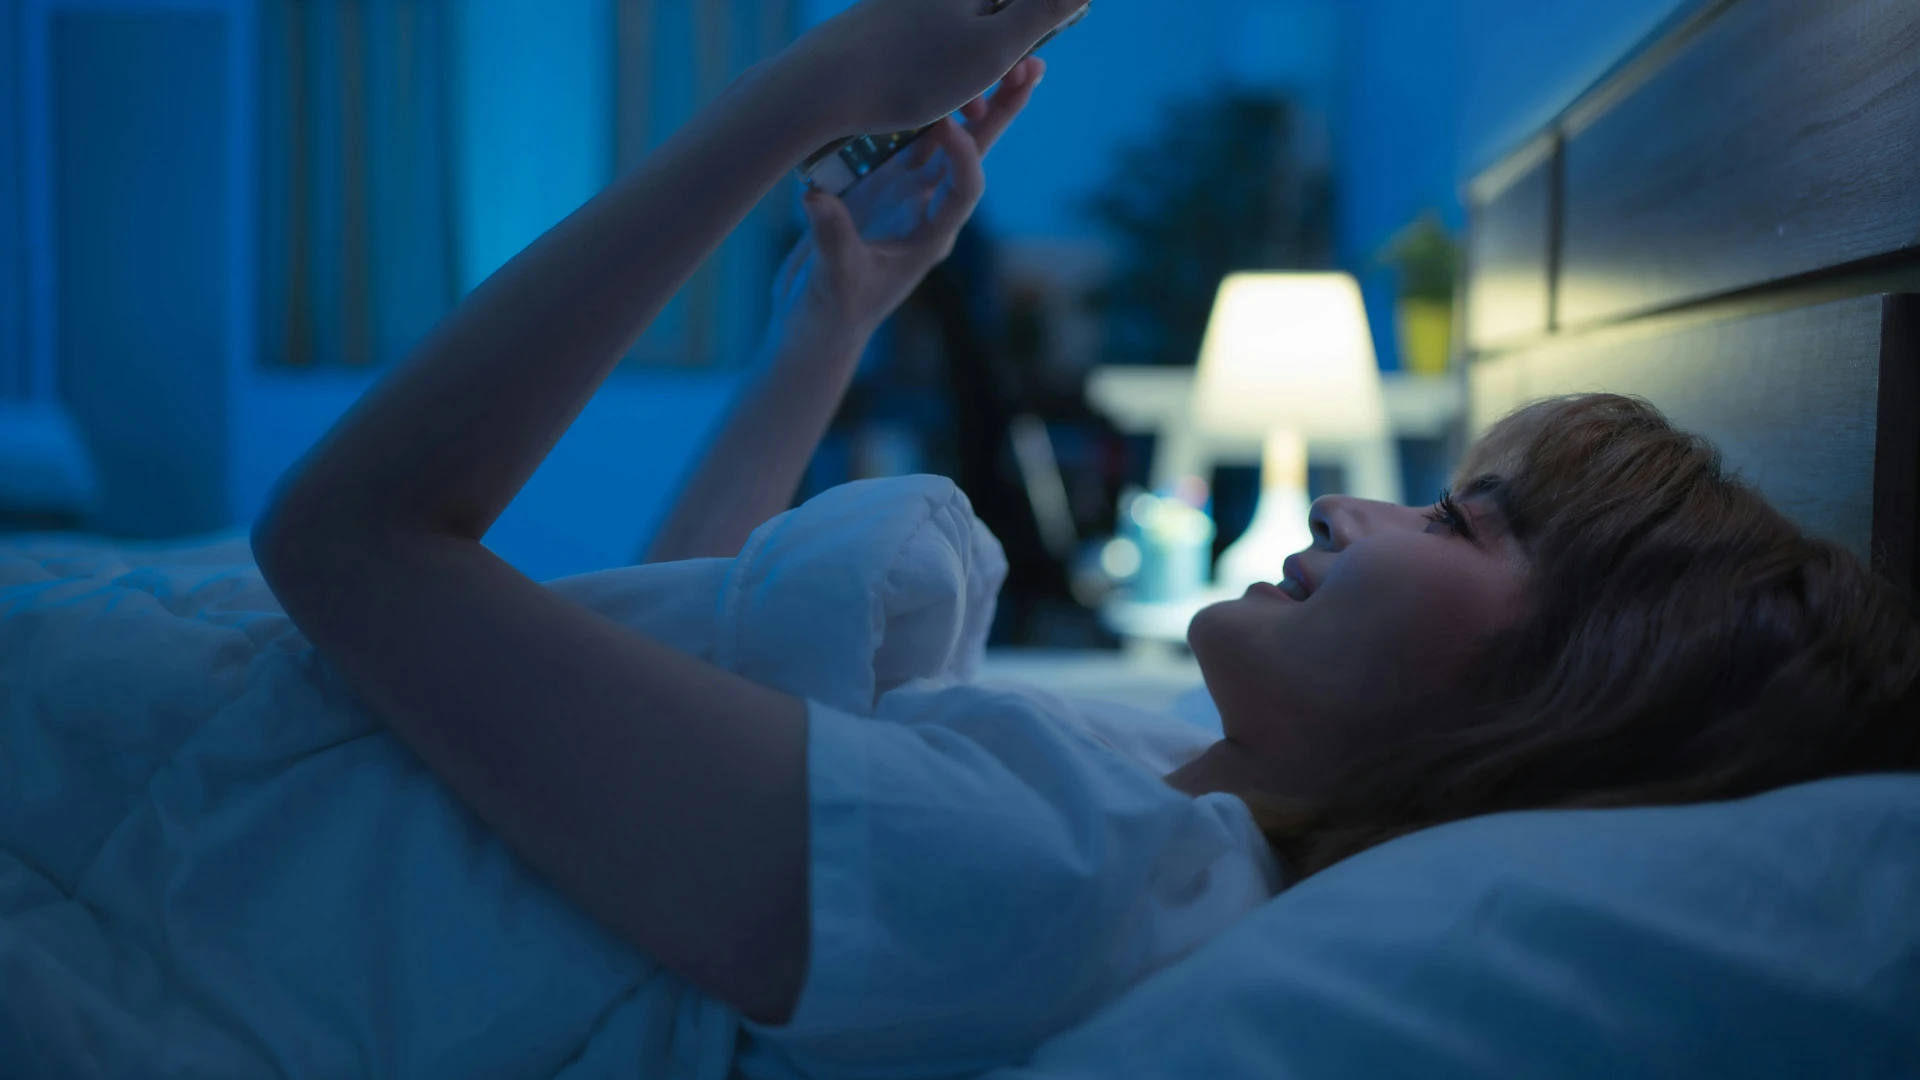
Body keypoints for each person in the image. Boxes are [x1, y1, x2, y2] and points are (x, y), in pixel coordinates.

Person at [251, 0, 1920, 1068]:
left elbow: (348, 540)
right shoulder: (1127, 816)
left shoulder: (1061, 874)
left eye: (1456, 520)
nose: (1349, 498)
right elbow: (653, 641)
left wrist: (808, 85)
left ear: (1566, 699)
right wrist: (826, 330)